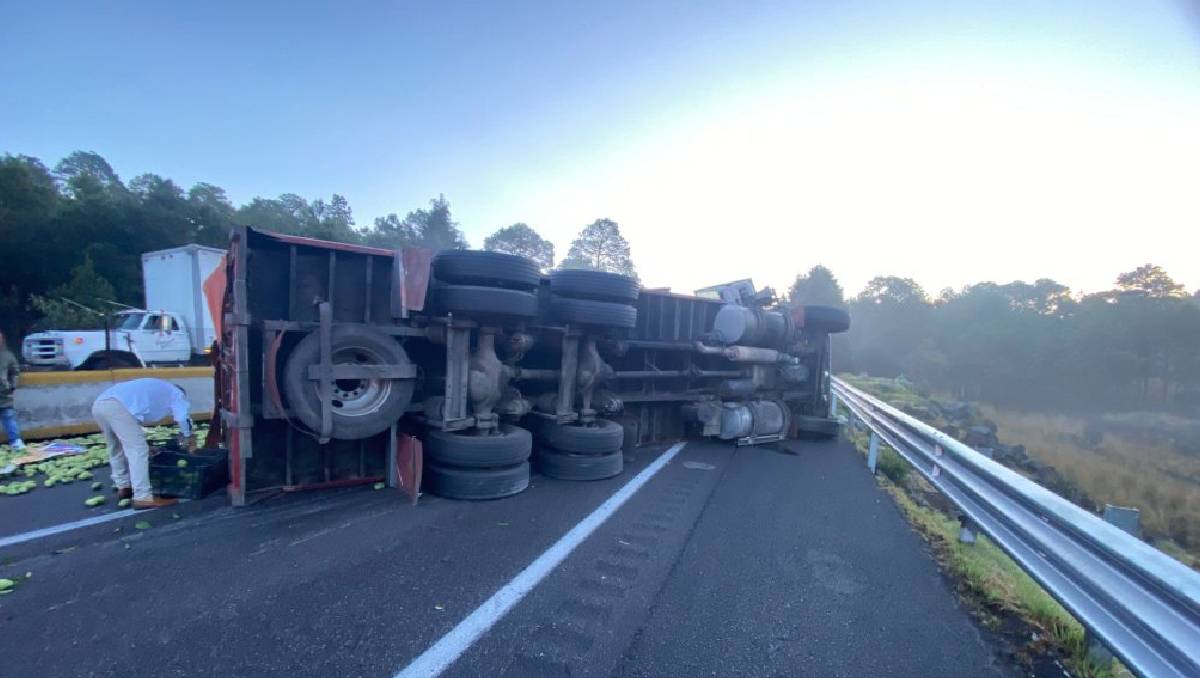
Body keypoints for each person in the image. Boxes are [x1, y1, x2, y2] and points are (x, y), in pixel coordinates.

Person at [92, 378, 194, 509]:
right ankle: (143, 497)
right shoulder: (176, 393)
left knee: (116, 447)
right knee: (138, 451)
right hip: (117, 406)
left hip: (100, 405)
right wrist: (188, 435)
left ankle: (123, 486)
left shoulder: (155, 389)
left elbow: (130, 424)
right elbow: (182, 417)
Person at [0, 331, 24, 450]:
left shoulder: (7, 356)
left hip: (4, 393)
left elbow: (15, 372)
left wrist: (12, 385)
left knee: (9, 418)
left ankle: (16, 442)